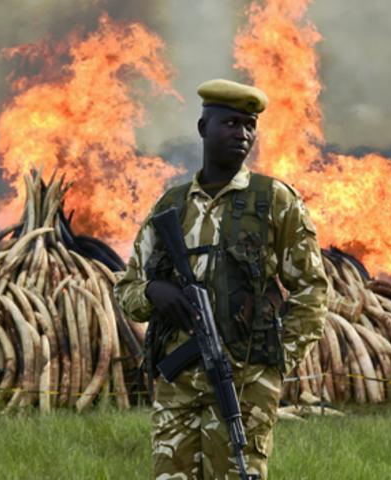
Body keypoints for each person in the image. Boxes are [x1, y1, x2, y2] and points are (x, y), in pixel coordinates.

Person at [114, 79, 328, 479]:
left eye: (249, 125)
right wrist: (153, 292)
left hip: (245, 386)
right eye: (230, 123)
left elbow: (312, 288)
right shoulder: (171, 206)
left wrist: (277, 362)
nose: (242, 134)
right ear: (203, 128)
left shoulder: (273, 200)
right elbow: (127, 288)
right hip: (177, 385)